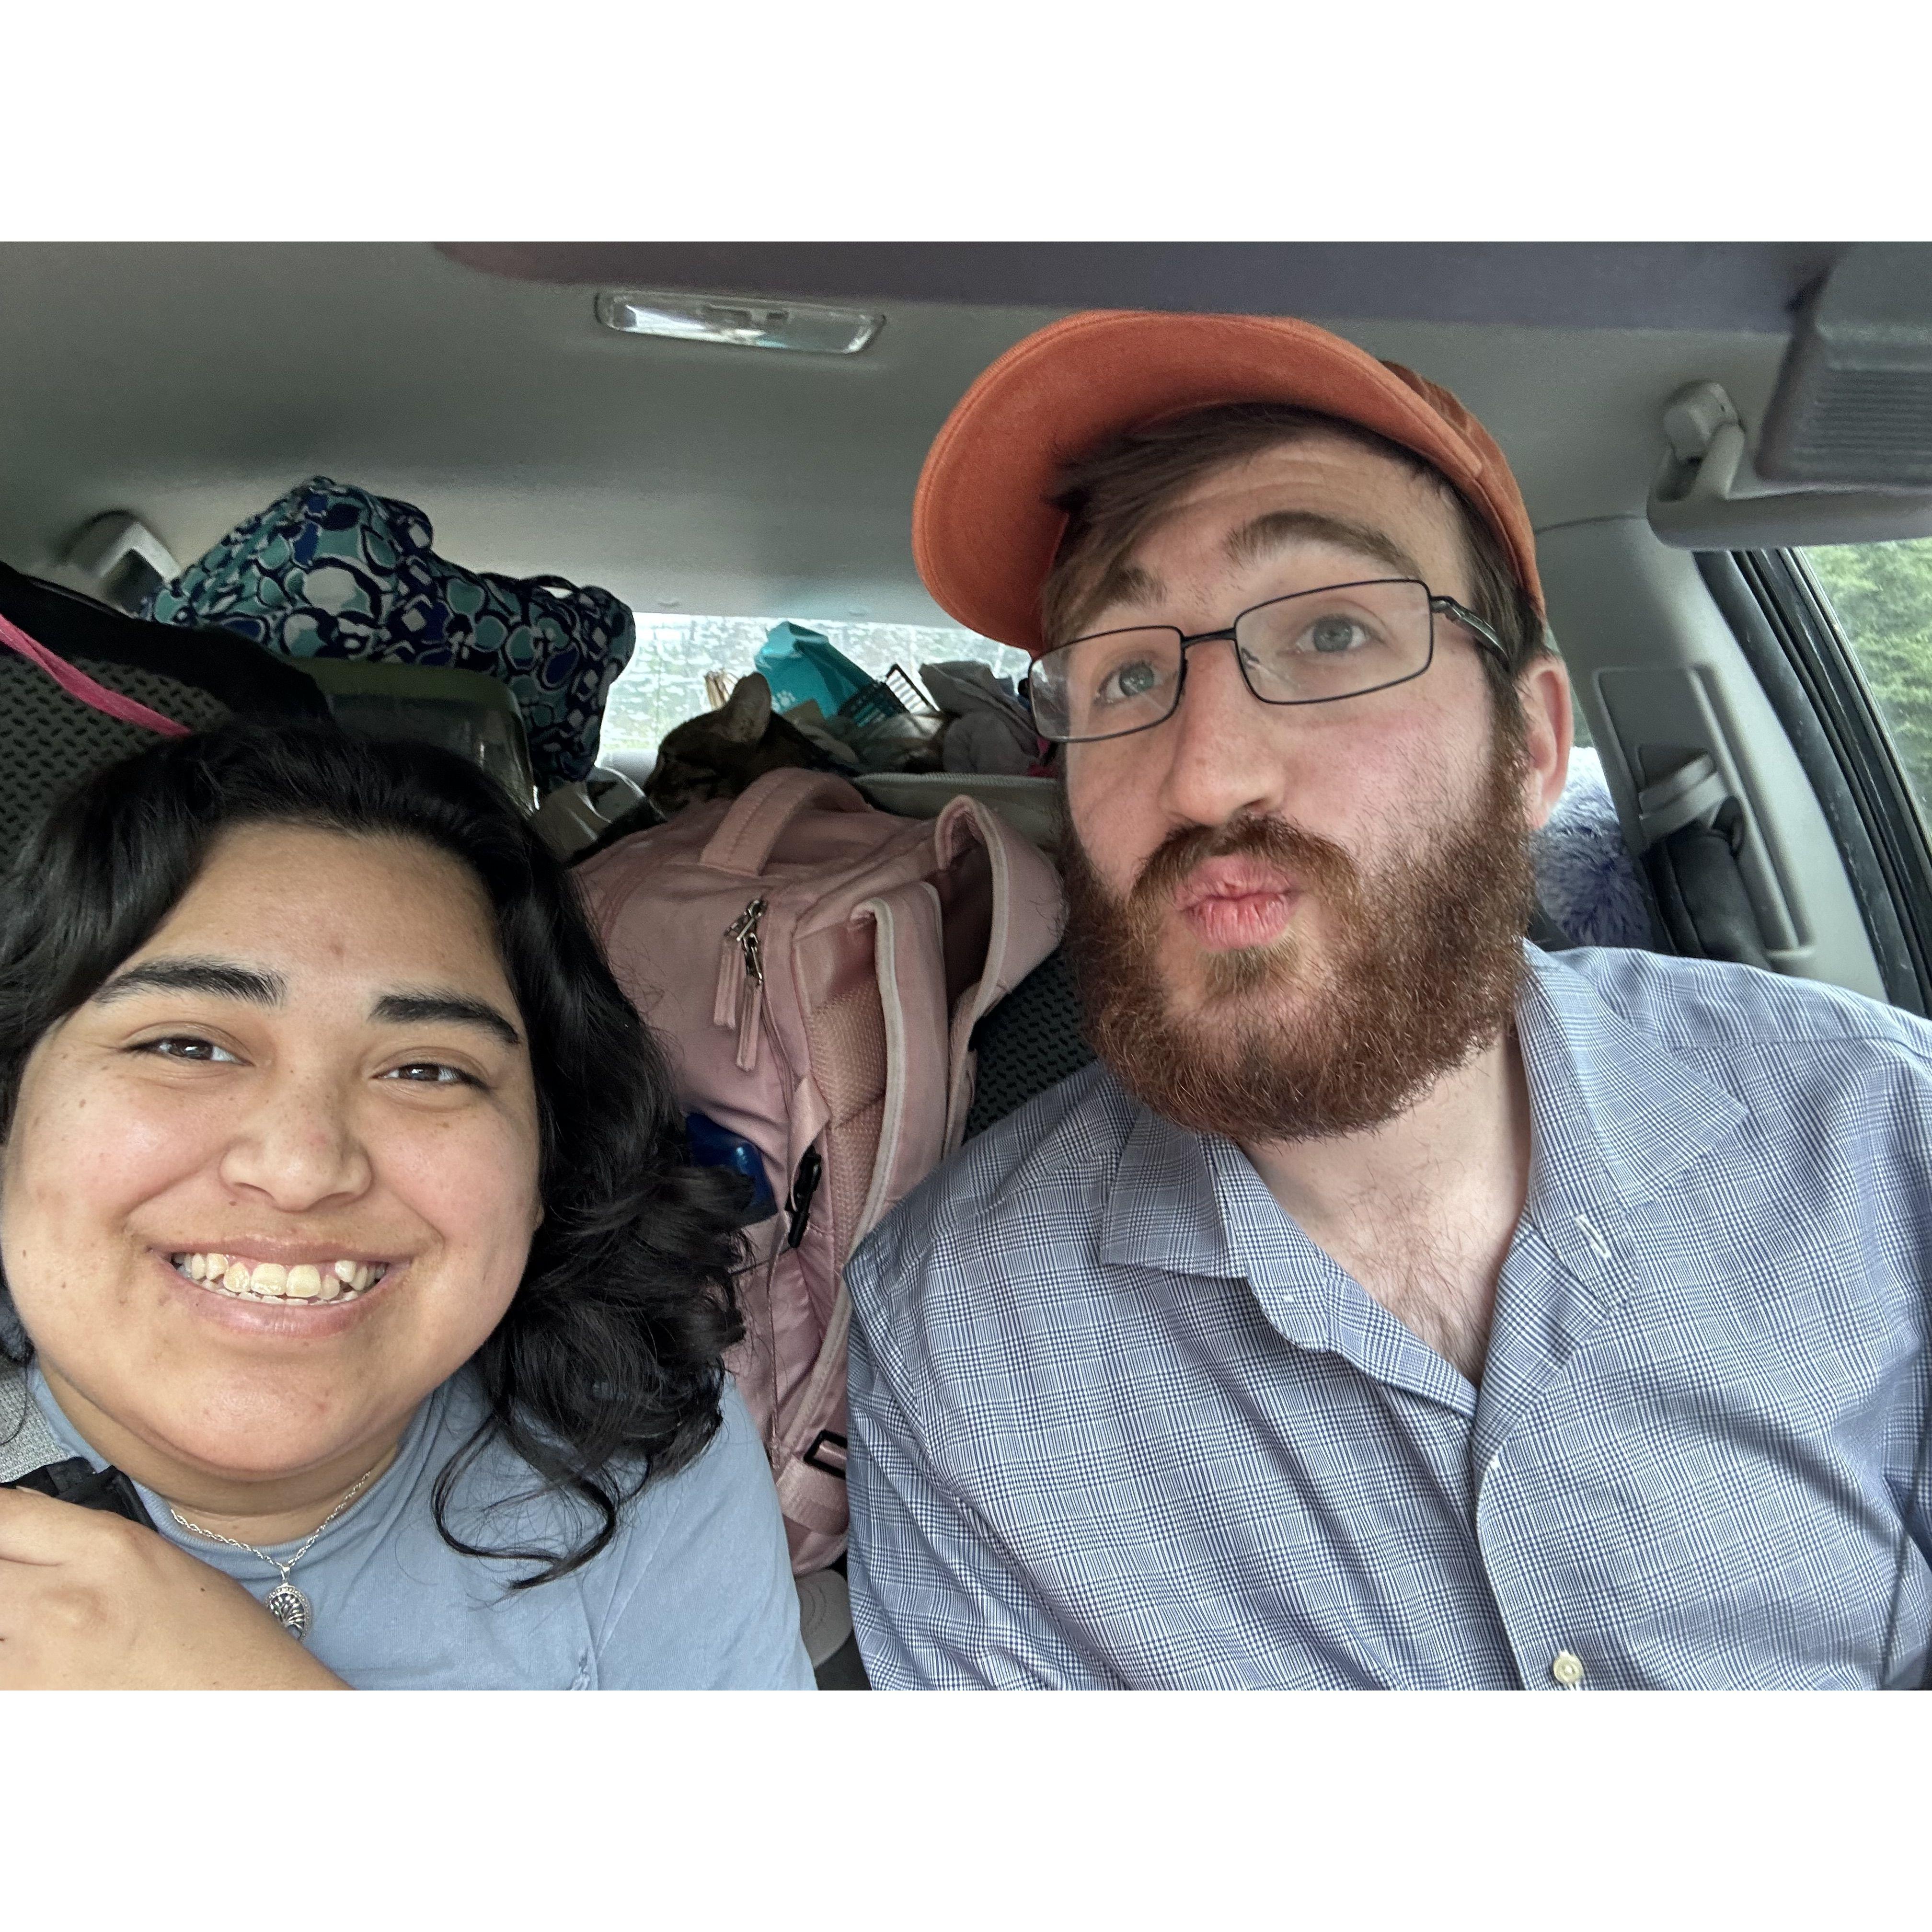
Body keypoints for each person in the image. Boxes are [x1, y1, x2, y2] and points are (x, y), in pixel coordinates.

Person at [844, 309, 1932, 1690]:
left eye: (1333, 632)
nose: (1205, 775)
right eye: (1128, 674)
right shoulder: (960, 1342)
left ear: (1531, 748)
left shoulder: (1882, 1140)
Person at [0, 719, 813, 1689]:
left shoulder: (644, 1447)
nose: (302, 1168)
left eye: (428, 1069)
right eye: (187, 1046)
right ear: (12, 1113)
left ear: (549, 1162)